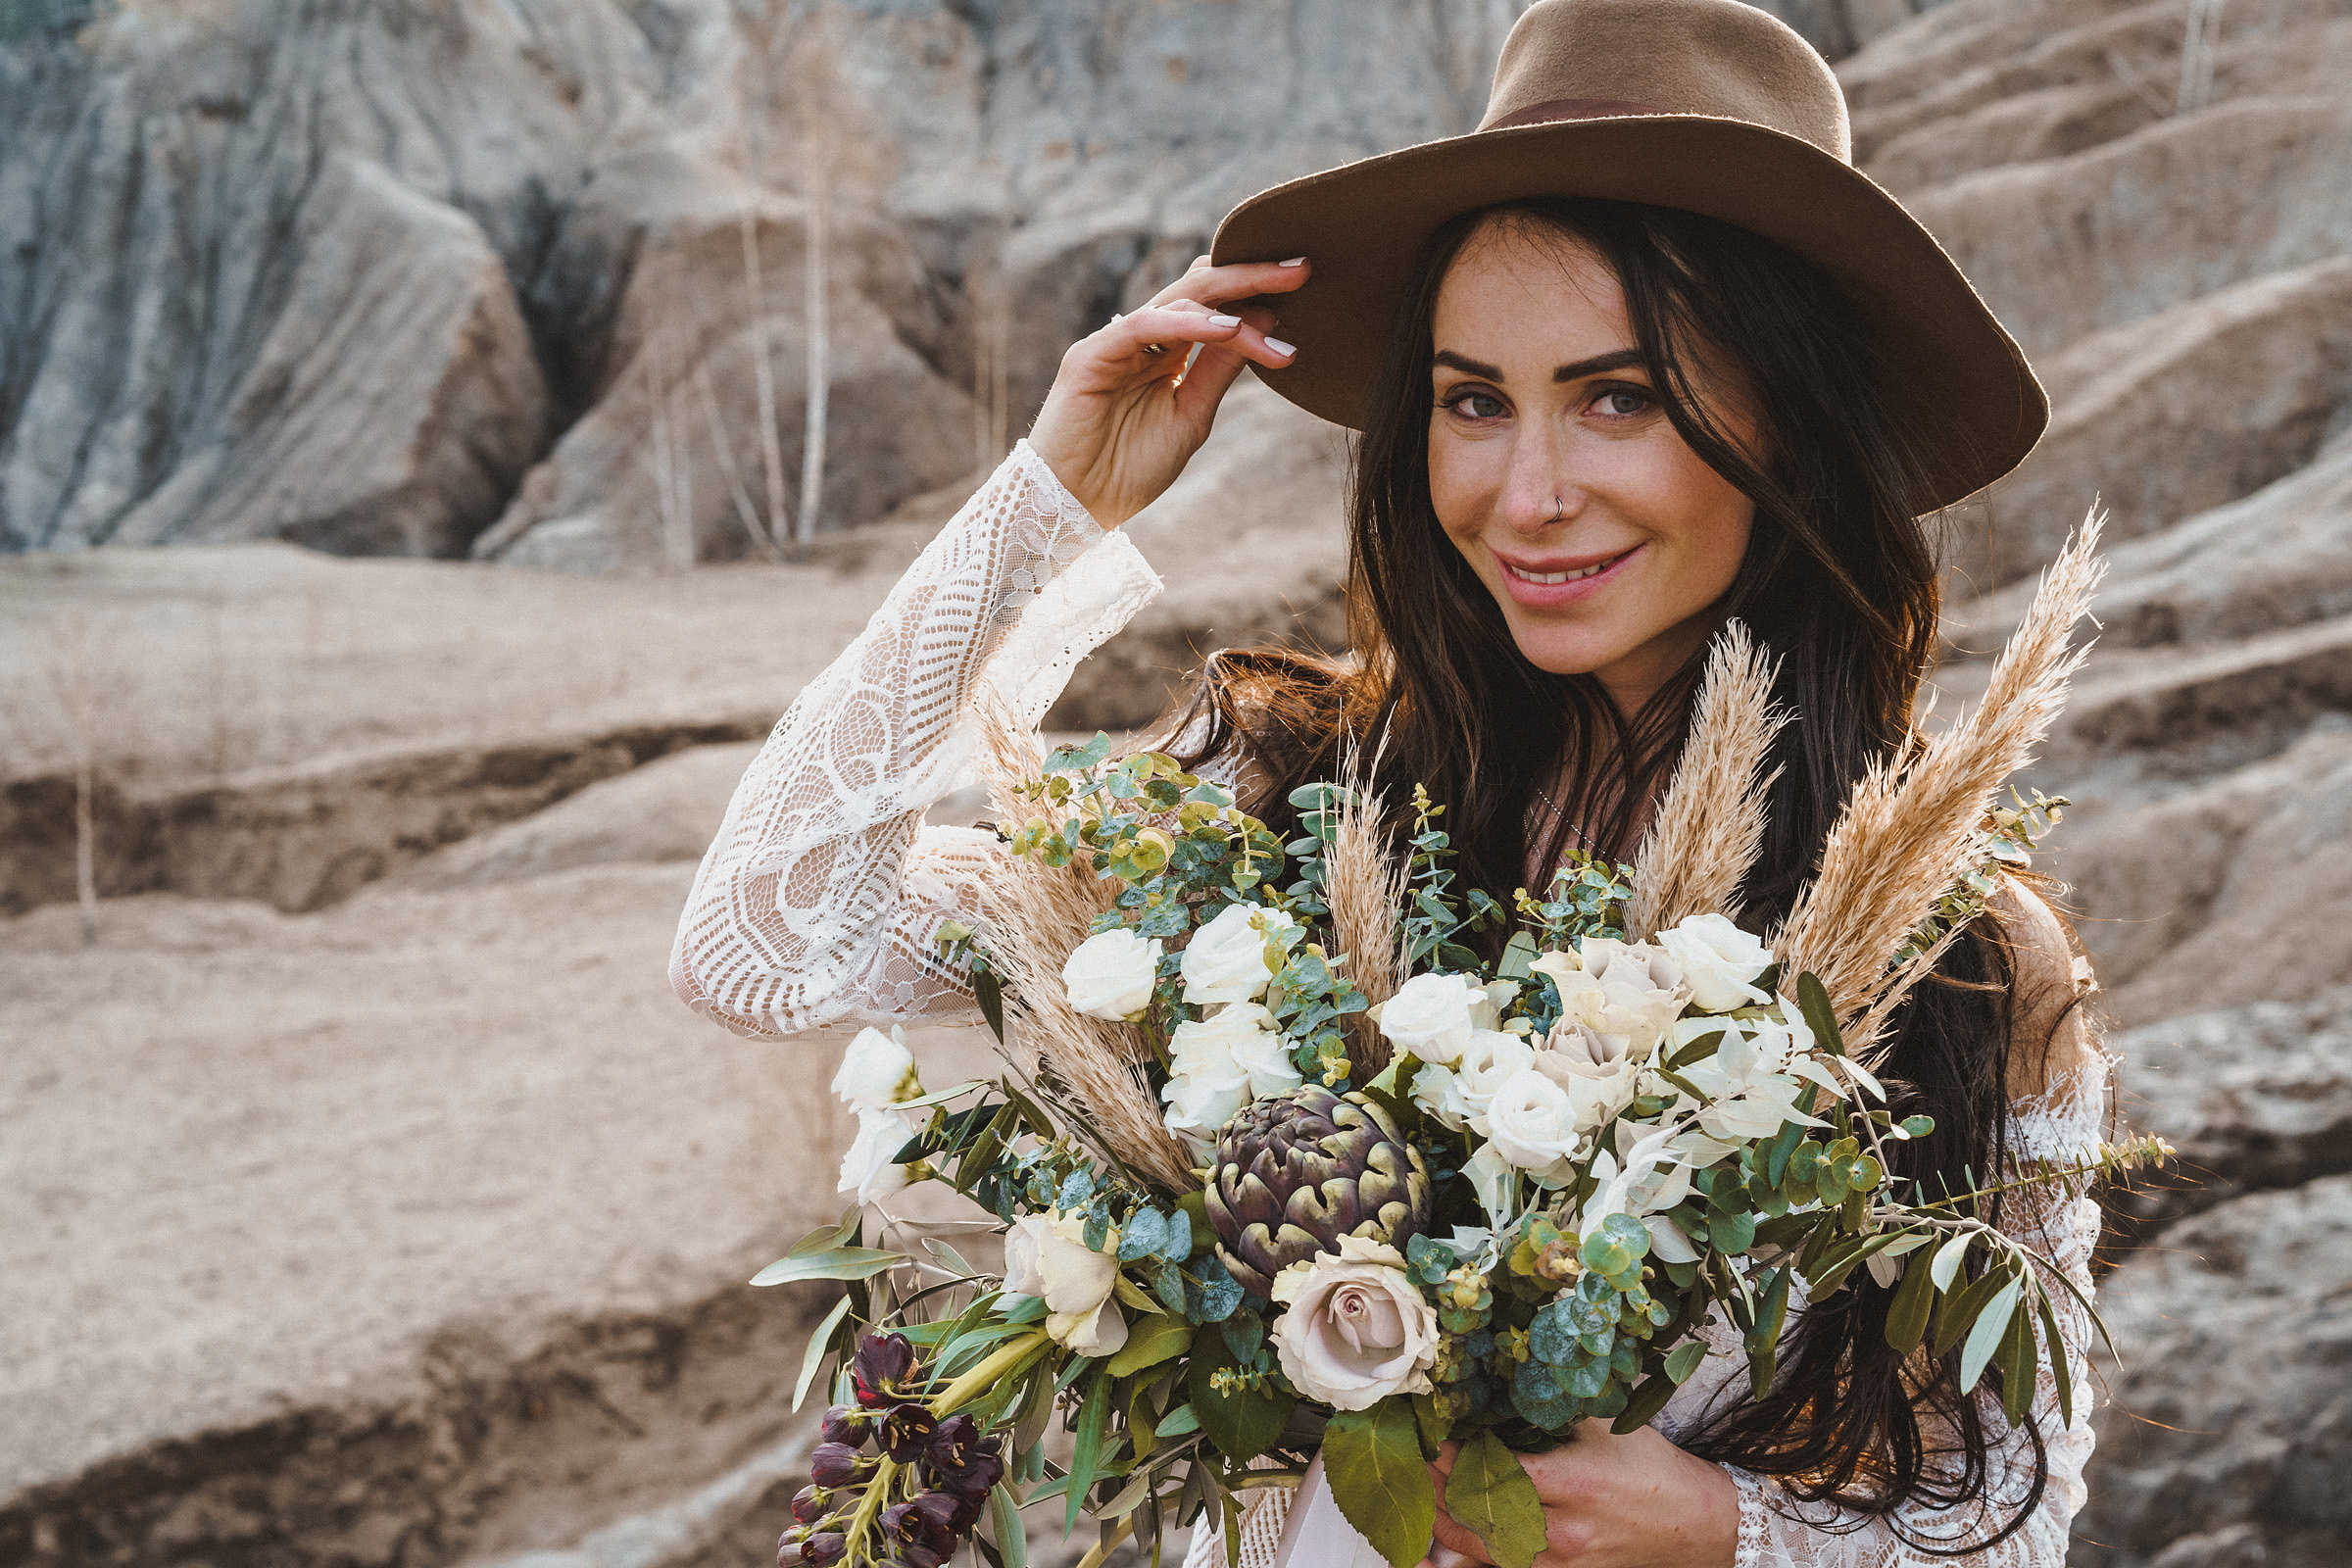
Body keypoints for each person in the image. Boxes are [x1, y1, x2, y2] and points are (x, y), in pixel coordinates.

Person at [669, 1, 2109, 1564]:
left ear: (1791, 425)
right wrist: (1046, 511)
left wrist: (1729, 1530)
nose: (1528, 493)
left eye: (1617, 396)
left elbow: (2011, 1504)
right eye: (1473, 399)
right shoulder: (1286, 793)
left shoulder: (1957, 961)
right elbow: (759, 941)